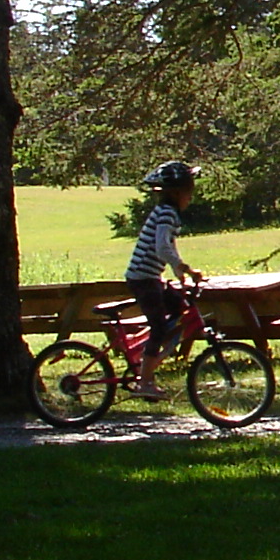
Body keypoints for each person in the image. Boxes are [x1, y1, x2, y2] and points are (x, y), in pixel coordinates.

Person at [123, 160, 201, 398]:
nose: (191, 196)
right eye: (188, 191)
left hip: (150, 276)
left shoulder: (168, 212)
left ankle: (144, 356)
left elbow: (169, 246)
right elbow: (162, 247)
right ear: (177, 193)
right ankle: (145, 382)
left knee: (179, 307)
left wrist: (180, 275)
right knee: (158, 327)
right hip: (143, 278)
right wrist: (184, 267)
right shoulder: (167, 213)